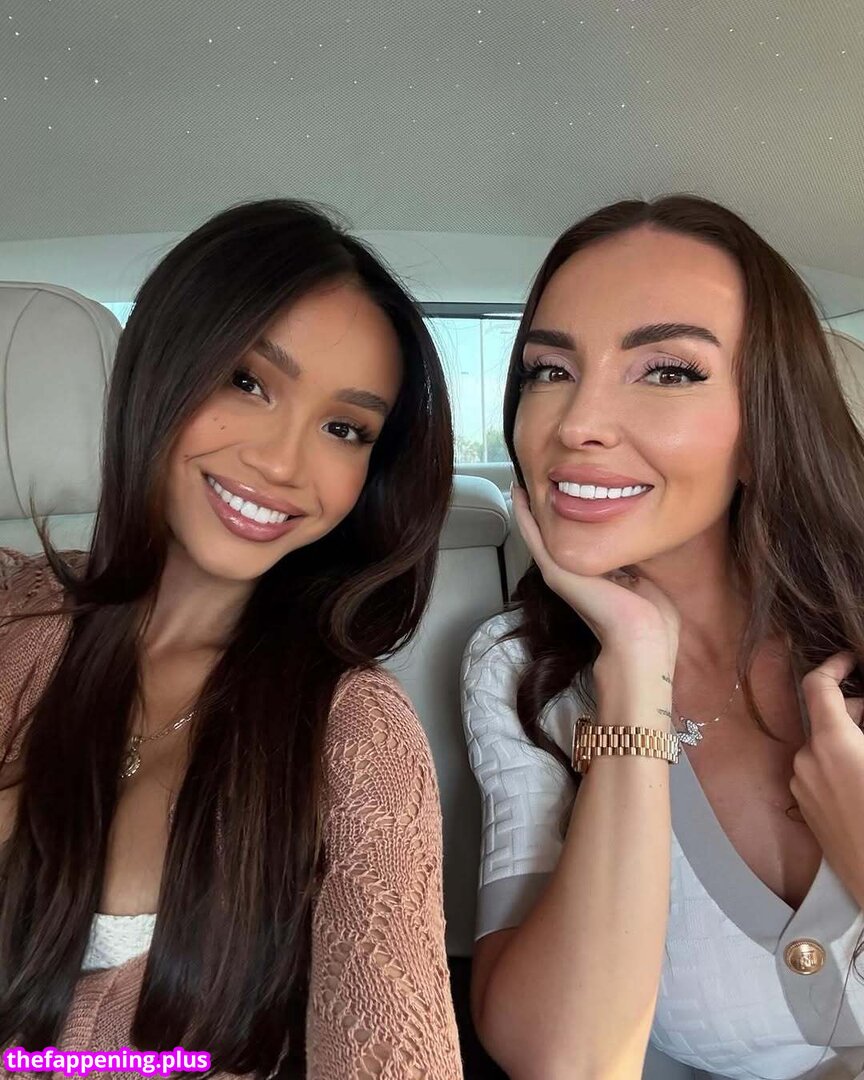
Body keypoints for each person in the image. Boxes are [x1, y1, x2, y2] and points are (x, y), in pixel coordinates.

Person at [0, 200, 463, 1078]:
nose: (283, 463)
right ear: (163, 370)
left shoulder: (354, 732)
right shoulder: (12, 607)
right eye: (248, 382)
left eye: (345, 429)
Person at [462, 194, 864, 1080]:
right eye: (549, 370)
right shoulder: (522, 670)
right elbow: (563, 1061)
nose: (575, 423)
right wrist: (635, 669)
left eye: (669, 372)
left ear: (765, 426)